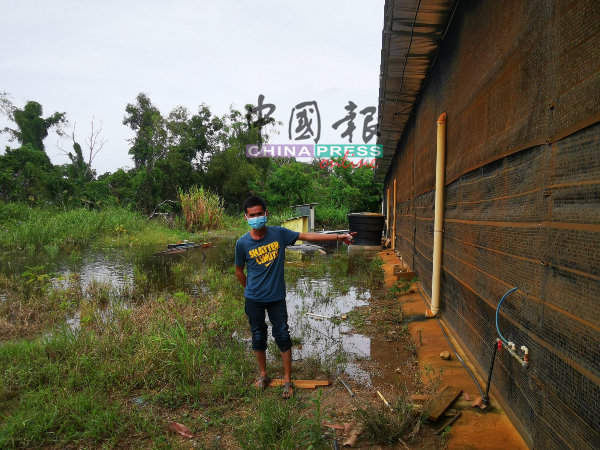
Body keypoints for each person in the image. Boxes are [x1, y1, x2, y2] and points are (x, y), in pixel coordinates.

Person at [234, 196, 356, 398]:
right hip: (253, 299)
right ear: (246, 217)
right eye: (252, 215)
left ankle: (288, 380)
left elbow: (307, 237)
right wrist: (250, 290)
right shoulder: (242, 243)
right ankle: (263, 374)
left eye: (259, 214)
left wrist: (337, 237)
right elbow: (239, 271)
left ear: (266, 214)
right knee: (258, 335)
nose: (256, 218)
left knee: (282, 335)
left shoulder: (279, 234)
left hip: (276, 298)